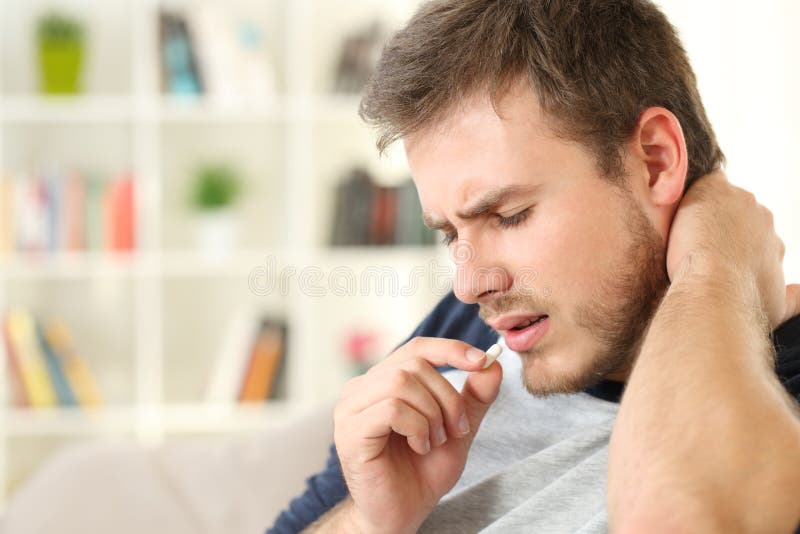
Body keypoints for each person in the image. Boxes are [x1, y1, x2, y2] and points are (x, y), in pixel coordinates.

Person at [270, 0, 800, 532]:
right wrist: (370, 519)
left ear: (655, 160)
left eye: (509, 215)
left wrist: (713, 266)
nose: (470, 284)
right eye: (451, 233)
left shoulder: (777, 407)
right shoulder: (469, 333)